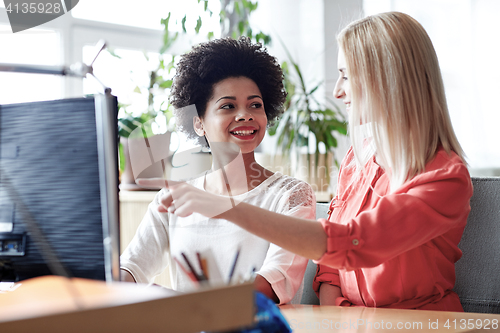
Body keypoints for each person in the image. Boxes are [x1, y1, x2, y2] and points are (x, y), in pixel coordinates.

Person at [139, 12, 473, 312]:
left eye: (346, 75)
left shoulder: (445, 179)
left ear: (386, 78)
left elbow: (354, 243)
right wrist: (339, 316)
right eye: (227, 106)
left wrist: (225, 206)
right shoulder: (357, 162)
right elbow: (331, 270)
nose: (338, 91)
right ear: (198, 121)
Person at [121, 37, 315, 304]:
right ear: (199, 123)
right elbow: (131, 268)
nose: (245, 115)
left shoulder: (291, 196)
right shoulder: (175, 197)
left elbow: (271, 284)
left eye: (255, 105)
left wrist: (175, 301)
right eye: (228, 106)